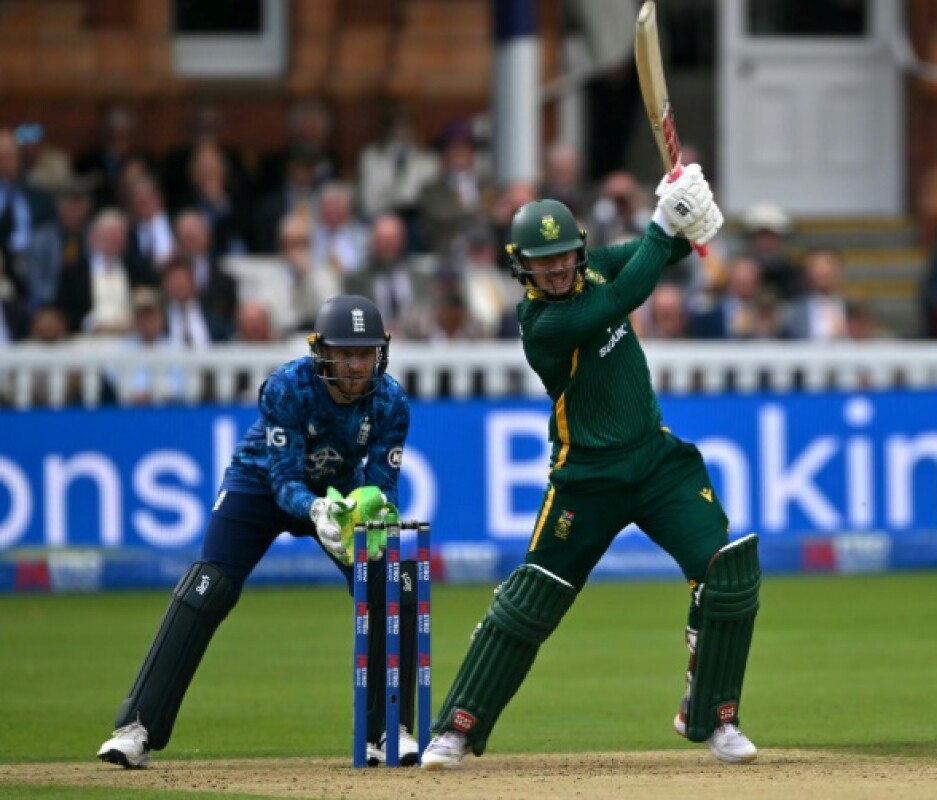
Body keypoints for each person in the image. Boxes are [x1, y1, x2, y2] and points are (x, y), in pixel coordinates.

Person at [419, 166, 761, 770]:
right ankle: (458, 729)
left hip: (657, 462)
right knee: (531, 601)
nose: (555, 270)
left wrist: (695, 211)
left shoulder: (594, 263)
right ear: (521, 266)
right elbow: (625, 295)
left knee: (726, 572)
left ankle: (712, 716)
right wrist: (663, 221)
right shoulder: (540, 324)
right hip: (587, 478)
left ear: (578, 250)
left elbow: (665, 249)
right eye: (541, 262)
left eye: (563, 257)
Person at [97, 294, 418, 769]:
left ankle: (388, 733)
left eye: (365, 352)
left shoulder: (391, 401)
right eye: (345, 353)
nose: (355, 365)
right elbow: (283, 480)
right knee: (208, 587)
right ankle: (137, 728)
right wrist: (314, 511)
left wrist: (370, 517)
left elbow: (383, 487)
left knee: (390, 581)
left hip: (341, 491)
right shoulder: (288, 386)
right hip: (259, 485)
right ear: (322, 352)